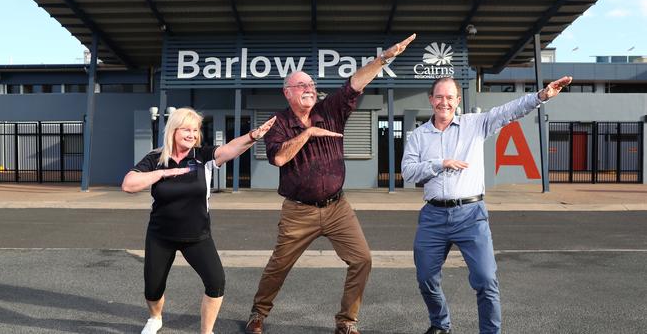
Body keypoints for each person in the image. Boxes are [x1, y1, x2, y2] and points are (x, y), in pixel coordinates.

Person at [244, 33, 416, 334]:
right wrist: (307, 135)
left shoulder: (330, 110)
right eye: (302, 86)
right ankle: (258, 313)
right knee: (279, 266)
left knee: (362, 259)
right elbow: (279, 159)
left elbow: (354, 84)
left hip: (338, 207)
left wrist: (384, 58)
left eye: (311, 85)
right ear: (287, 93)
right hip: (299, 212)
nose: (309, 89)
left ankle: (346, 322)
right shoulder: (279, 123)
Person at [401, 75, 572, 334]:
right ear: (430, 100)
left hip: (471, 215)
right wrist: (440, 164)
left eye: (449, 97)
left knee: (485, 279)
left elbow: (508, 112)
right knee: (426, 278)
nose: (444, 102)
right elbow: (408, 173)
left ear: (458, 101)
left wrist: (540, 96)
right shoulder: (418, 136)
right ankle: (440, 323)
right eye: (439, 97)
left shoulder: (475, 124)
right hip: (433, 216)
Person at [121, 107, 275, 334]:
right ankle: (155, 318)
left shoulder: (203, 156)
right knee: (153, 288)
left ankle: (206, 330)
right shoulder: (155, 158)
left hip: (197, 235)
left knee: (216, 282)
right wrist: (163, 173)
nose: (192, 135)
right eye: (186, 129)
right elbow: (128, 184)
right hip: (161, 235)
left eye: (195, 130)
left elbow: (231, 149)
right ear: (173, 130)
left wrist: (252, 136)